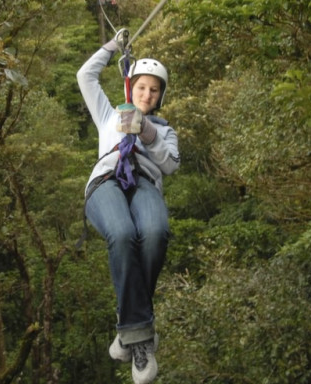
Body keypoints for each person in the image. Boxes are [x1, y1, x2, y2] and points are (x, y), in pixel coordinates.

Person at [76, 32, 180, 384]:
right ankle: (140, 338)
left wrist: (147, 132)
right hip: (106, 181)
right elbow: (84, 77)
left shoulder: (165, 131)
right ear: (130, 87)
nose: (146, 94)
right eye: (141, 88)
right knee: (121, 233)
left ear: (160, 96)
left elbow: (170, 165)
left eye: (154, 90)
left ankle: (130, 332)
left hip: (145, 183)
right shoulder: (108, 115)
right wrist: (111, 48)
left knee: (154, 232)